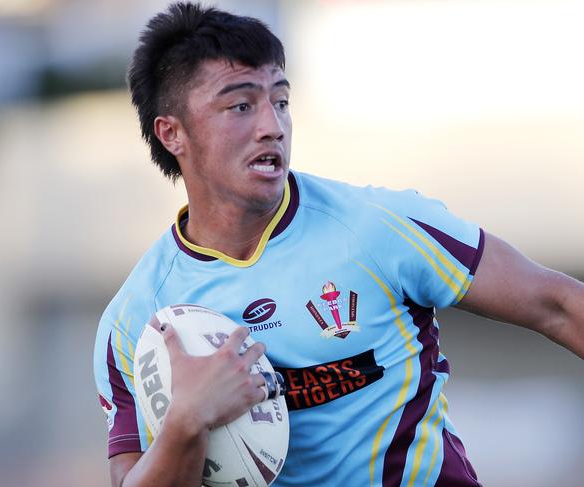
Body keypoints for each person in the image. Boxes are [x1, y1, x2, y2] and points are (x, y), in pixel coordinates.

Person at [93, 3, 584, 486]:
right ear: (172, 133)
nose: (273, 126)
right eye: (241, 105)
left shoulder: (378, 228)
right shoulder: (137, 318)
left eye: (281, 101)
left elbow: (558, 305)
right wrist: (186, 421)